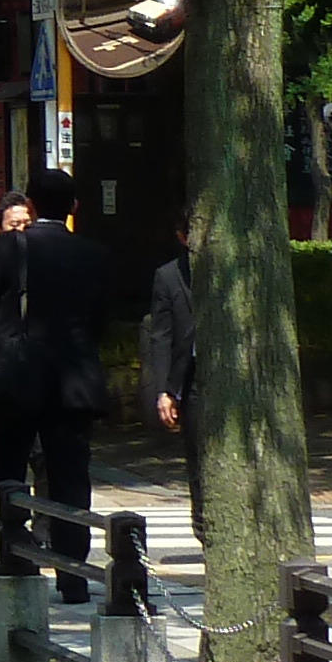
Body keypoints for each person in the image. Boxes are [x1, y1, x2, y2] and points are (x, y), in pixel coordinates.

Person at [0, 165, 110, 601]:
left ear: (29, 205)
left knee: (6, 471)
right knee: (71, 478)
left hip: (15, 380)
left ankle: (12, 563)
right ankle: (72, 574)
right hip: (73, 382)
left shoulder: (7, 248)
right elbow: (100, 323)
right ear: (74, 207)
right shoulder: (92, 254)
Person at [143, 205, 205, 528]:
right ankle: (202, 523)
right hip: (191, 377)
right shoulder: (168, 276)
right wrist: (165, 391)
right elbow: (161, 336)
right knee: (196, 455)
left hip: (226, 376)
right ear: (181, 237)